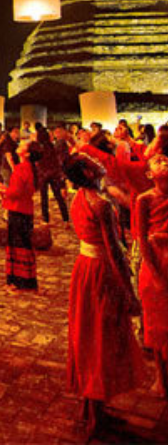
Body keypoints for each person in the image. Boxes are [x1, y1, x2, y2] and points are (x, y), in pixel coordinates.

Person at [64, 152, 144, 438]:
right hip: (101, 272)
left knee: (88, 336)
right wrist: (130, 292)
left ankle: (93, 409)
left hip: (85, 268)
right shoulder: (102, 205)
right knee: (101, 339)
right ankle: (96, 417)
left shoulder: (79, 198)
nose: (98, 162)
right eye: (91, 161)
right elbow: (114, 252)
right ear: (87, 173)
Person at [136, 154, 168, 400]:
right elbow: (142, 239)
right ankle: (161, 377)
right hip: (156, 263)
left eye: (166, 160)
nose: (164, 162)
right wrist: (155, 275)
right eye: (157, 162)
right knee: (157, 326)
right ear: (149, 174)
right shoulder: (144, 199)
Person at [3, 140, 41, 291]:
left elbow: (16, 192)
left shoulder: (22, 168)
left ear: (27, 154)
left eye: (23, 145)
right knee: (24, 246)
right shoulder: (30, 168)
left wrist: (1, 191)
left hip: (18, 210)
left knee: (17, 247)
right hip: (26, 210)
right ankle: (27, 280)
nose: (19, 144)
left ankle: (17, 282)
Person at [34, 126, 69, 225]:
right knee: (59, 197)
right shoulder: (51, 146)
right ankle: (66, 219)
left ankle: (45, 220)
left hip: (42, 174)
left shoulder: (38, 147)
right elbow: (56, 162)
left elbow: (36, 162)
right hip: (53, 173)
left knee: (44, 198)